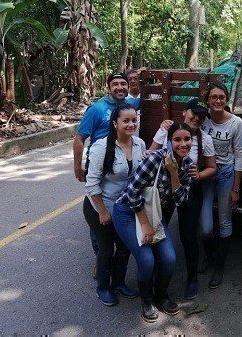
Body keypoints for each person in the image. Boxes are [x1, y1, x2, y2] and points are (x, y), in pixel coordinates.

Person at [113, 122, 194, 321]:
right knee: (147, 260)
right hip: (127, 211)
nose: (182, 144)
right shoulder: (155, 160)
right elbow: (132, 191)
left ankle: (161, 294)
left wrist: (174, 173)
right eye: (177, 139)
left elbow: (181, 200)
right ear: (168, 142)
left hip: (153, 213)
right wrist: (145, 224)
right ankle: (146, 299)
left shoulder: (188, 165)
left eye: (187, 139)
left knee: (169, 259)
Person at [150, 98, 217, 300]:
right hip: (164, 188)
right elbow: (151, 154)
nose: (196, 118)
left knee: (188, 235)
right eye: (193, 114)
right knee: (158, 228)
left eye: (201, 116)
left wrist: (199, 175)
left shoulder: (204, 139)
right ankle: (155, 274)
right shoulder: (166, 131)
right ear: (184, 113)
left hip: (190, 189)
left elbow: (213, 168)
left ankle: (192, 277)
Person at [73, 72, 141, 275]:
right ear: (108, 87)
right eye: (115, 84)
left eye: (123, 84)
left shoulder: (129, 104)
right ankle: (100, 259)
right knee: (99, 210)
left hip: (122, 161)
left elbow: (143, 99)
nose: (120, 87)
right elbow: (79, 138)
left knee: (118, 205)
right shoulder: (97, 109)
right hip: (101, 162)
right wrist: (78, 166)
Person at [83, 105, 144, 306]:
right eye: (125, 120)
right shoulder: (102, 147)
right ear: (115, 123)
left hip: (124, 208)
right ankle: (103, 287)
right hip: (99, 206)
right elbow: (91, 182)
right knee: (107, 249)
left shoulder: (139, 144)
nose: (131, 124)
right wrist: (102, 211)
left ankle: (118, 283)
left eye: (133, 120)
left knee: (125, 248)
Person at [199, 82, 242, 289]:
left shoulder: (236, 123)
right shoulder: (202, 119)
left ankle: (219, 266)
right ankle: (209, 256)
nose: (218, 101)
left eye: (221, 97)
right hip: (206, 174)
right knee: (206, 226)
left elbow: (239, 154)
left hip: (226, 174)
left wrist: (236, 188)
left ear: (226, 100)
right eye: (214, 97)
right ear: (207, 100)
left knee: (225, 221)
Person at [125, 68, 141, 138]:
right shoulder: (123, 98)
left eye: (136, 78)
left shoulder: (148, 95)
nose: (133, 81)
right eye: (130, 79)